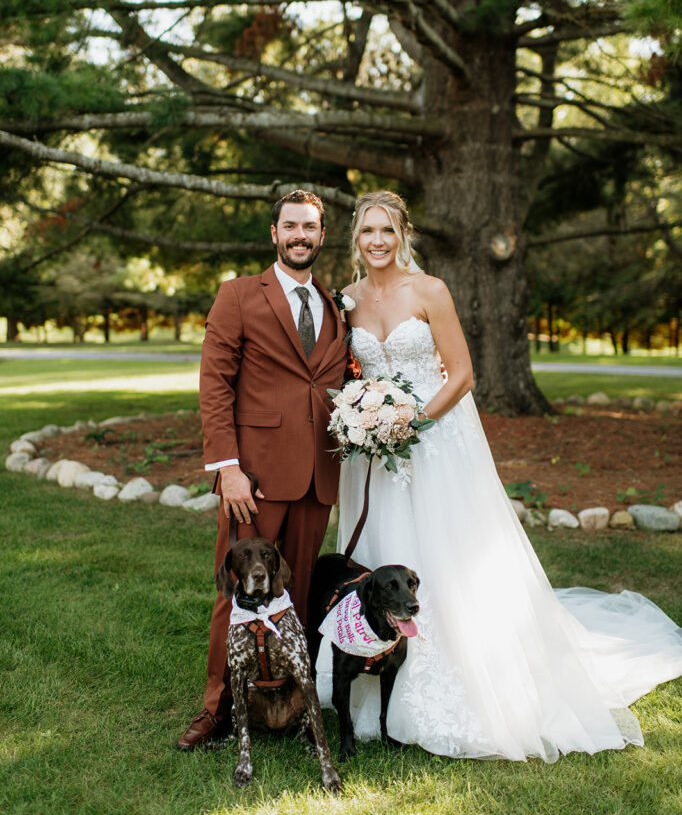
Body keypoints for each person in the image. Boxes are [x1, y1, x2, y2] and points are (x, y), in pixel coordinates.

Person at [316, 190, 682, 761]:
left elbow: (461, 374)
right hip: (377, 455)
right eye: (367, 232)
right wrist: (363, 416)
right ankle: (374, 673)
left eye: (387, 231)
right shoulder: (347, 299)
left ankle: (466, 684)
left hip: (436, 445)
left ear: (403, 234)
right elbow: (350, 370)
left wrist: (412, 421)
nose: (378, 241)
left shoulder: (431, 290)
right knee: (385, 552)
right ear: (356, 239)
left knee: (447, 555)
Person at [177, 189, 349, 750]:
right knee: (236, 594)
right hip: (253, 479)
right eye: (291, 226)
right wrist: (227, 466)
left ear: (322, 237)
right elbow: (214, 384)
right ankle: (219, 709)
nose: (301, 235)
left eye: (311, 227)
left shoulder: (336, 304)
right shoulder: (239, 296)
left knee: (292, 598)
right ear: (274, 233)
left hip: (317, 477)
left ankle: (284, 703)